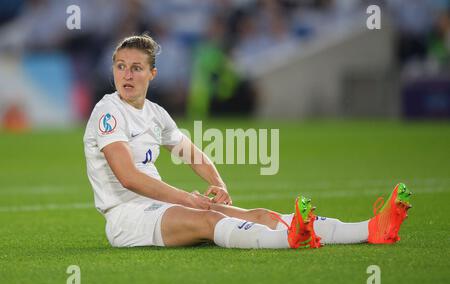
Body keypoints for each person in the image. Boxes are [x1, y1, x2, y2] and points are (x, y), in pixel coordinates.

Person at [83, 34, 412, 249]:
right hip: (127, 218)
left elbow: (190, 153)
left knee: (259, 214)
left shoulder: (155, 113)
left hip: (161, 207)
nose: (126, 75)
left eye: (136, 68)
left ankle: (370, 228)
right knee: (211, 219)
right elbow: (128, 177)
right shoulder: (107, 113)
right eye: (121, 67)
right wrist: (186, 197)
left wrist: (218, 183)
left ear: (152, 74)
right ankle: (289, 239)